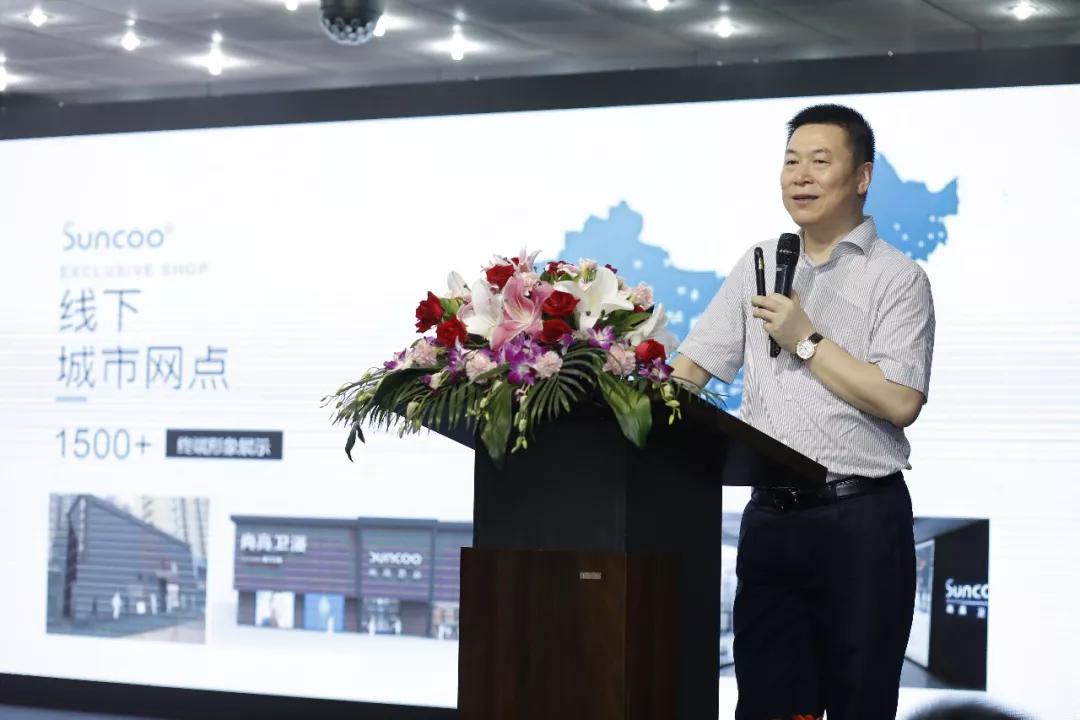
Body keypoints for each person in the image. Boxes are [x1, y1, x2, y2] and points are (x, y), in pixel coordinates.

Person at [674, 104, 935, 720]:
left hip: (860, 520)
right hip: (769, 521)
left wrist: (806, 340)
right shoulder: (759, 263)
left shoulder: (898, 278)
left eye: (820, 161)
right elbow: (691, 370)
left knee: (858, 704)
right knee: (767, 706)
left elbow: (901, 399)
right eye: (791, 161)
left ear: (862, 176)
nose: (801, 175)